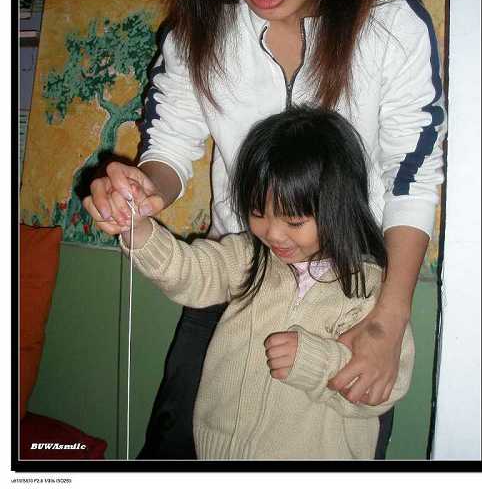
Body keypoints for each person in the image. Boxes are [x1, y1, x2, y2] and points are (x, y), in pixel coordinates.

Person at [83, 0, 445, 459]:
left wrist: (386, 322)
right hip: (235, 278)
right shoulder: (199, 30)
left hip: (352, 297)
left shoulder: (389, 24)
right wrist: (142, 188)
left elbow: (412, 179)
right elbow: (169, 146)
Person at [91, 106, 415, 459]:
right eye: (258, 213)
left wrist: (313, 362)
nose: (272, 233)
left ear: (338, 208)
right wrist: (138, 231)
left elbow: (380, 390)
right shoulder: (247, 256)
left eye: (294, 221)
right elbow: (190, 271)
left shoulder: (370, 291)